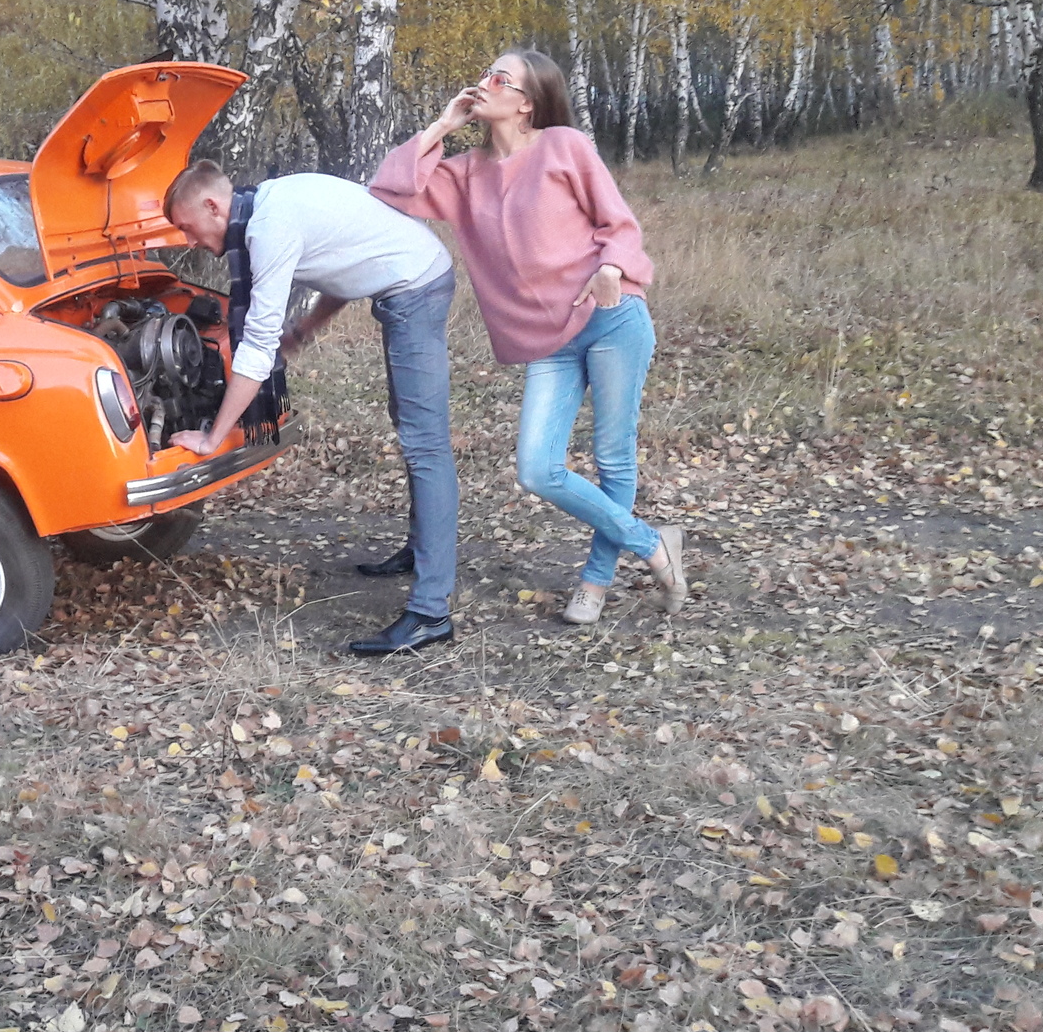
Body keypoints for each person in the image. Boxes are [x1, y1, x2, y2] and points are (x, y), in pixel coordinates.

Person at [370, 49, 690, 624]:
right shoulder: (465, 173)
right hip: (548, 341)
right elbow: (389, 188)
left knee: (612, 458)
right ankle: (651, 544)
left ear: (527, 101)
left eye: (500, 77)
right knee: (536, 469)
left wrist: (613, 267)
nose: (484, 82)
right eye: (483, 71)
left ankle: (595, 581)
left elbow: (617, 223)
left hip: (611, 316)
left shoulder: (564, 145)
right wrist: (446, 124)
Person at [163, 160, 461, 655]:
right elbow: (341, 266)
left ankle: (431, 612)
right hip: (412, 278)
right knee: (411, 428)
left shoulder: (268, 227)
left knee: (424, 443)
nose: (188, 240)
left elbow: (256, 345)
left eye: (187, 227)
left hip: (415, 287)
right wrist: (303, 331)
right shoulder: (270, 202)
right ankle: (424, 550)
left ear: (213, 206)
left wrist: (213, 437)